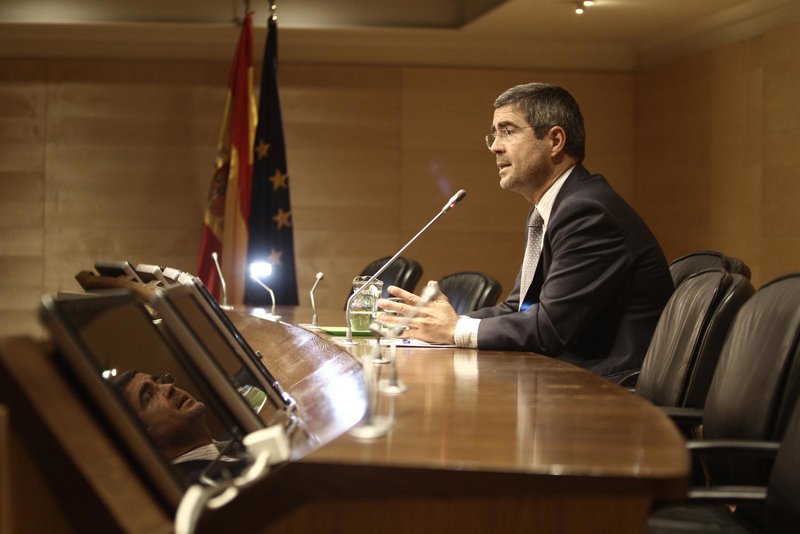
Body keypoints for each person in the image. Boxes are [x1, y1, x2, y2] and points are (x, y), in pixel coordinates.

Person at [378, 83, 673, 379]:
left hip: (609, 387)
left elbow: (550, 329)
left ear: (555, 140)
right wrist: (435, 324)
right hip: (566, 377)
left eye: (508, 131)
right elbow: (519, 307)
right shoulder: (551, 209)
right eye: (494, 134)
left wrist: (456, 329)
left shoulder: (588, 212)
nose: (495, 146)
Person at [113, 370, 247, 482]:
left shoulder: (235, 443)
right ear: (141, 437)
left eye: (160, 382)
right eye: (149, 396)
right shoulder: (199, 484)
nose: (169, 387)